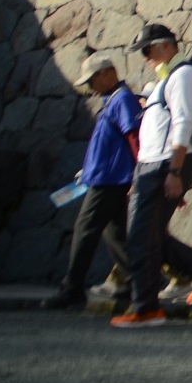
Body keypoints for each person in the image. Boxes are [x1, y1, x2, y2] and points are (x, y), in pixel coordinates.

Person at [113, 25, 192, 328]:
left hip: (165, 164)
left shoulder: (184, 75)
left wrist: (175, 172)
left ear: (165, 46)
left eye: (147, 50)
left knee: (140, 237)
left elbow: (183, 125)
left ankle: (146, 307)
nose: (146, 58)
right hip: (151, 165)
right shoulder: (168, 79)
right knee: (149, 234)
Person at [44, 53, 141, 309]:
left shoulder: (122, 99)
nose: (90, 87)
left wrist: (138, 173)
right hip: (108, 176)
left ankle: (72, 287)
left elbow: (134, 137)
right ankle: (136, 282)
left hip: (111, 178)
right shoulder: (114, 99)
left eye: (91, 80)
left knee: (85, 229)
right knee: (114, 233)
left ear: (107, 73)